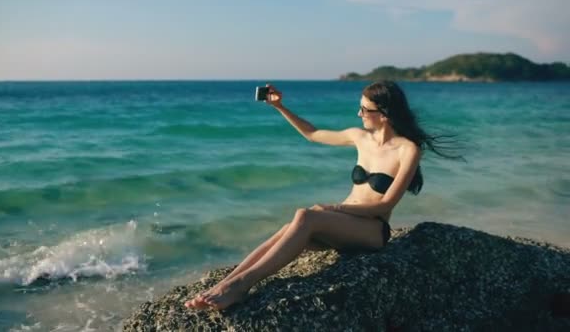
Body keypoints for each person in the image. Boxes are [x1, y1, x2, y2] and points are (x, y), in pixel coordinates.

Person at [185, 81, 460, 310]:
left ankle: (240, 286)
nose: (359, 114)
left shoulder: (408, 150)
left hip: (373, 231)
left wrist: (335, 209)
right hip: (343, 224)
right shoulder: (359, 137)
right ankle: (227, 283)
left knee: (306, 216)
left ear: (384, 114)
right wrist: (280, 106)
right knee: (287, 229)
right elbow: (313, 134)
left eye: (364, 109)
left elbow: (385, 203)